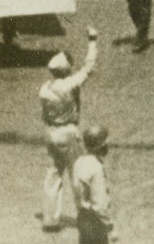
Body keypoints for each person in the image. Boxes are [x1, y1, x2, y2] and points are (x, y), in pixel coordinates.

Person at [39, 27, 99, 232]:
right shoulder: (70, 84)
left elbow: (44, 115)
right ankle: (84, 216)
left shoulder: (45, 89)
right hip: (69, 133)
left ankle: (50, 218)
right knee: (77, 175)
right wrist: (92, 41)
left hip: (51, 133)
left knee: (53, 175)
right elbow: (89, 67)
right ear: (65, 70)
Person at [72, 125, 116, 244]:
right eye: (105, 143)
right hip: (96, 222)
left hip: (82, 217)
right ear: (99, 146)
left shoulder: (79, 162)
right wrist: (109, 226)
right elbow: (99, 205)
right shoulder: (96, 168)